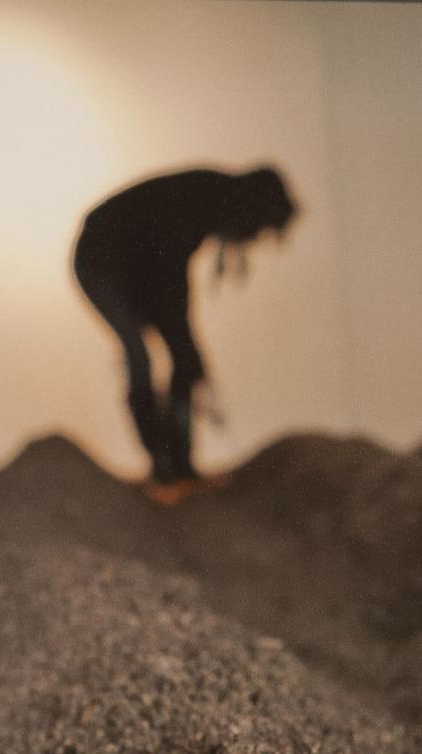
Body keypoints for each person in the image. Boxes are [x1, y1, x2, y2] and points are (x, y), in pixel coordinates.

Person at [73, 166, 298, 504]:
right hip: (101, 257)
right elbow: (169, 277)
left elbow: (169, 281)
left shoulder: (207, 200)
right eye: (258, 229)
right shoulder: (201, 200)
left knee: (176, 355)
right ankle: (165, 469)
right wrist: (185, 343)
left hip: (127, 263)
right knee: (141, 354)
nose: (251, 238)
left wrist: (185, 345)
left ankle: (177, 467)